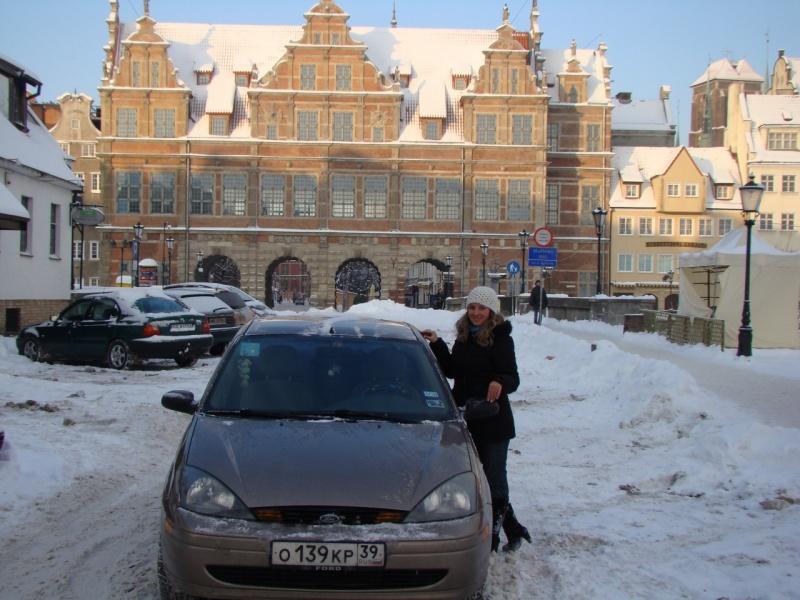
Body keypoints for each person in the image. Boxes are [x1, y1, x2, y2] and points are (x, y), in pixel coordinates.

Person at [422, 286, 531, 552]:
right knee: (479, 477)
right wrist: (437, 343)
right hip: (467, 418)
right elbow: (452, 370)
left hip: (494, 420)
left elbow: (513, 377)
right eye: (472, 307)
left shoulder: (500, 338)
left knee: (495, 479)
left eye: (482, 308)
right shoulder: (464, 336)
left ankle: (492, 537)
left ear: (491, 311)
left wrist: (499, 381)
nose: (476, 312)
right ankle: (514, 529)